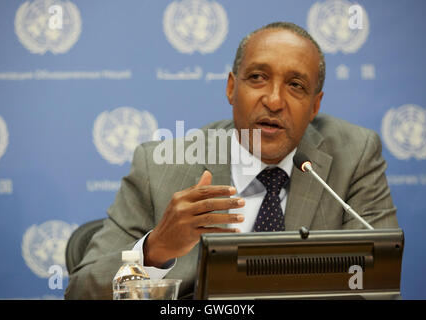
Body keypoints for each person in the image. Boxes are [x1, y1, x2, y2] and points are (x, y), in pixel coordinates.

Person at [65, 22, 398, 299]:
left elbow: (378, 289)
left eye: (295, 85)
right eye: (257, 78)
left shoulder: (354, 155)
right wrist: (155, 250)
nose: (273, 99)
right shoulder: (160, 165)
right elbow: (82, 292)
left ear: (314, 106)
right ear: (230, 88)